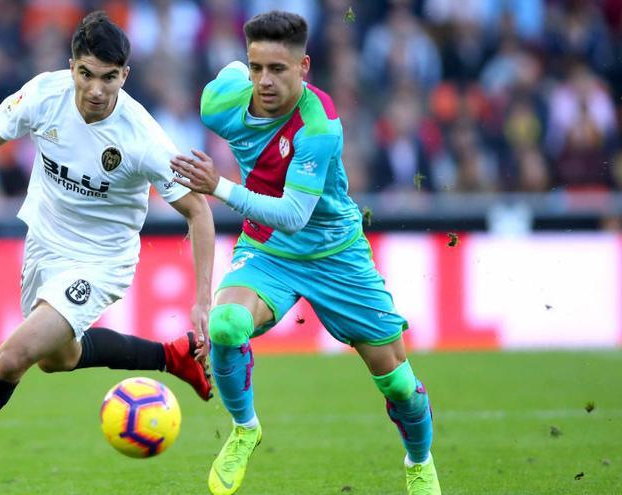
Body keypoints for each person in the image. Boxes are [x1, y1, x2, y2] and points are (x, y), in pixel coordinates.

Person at [0, 12, 215, 495]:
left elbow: (198, 212)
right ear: (72, 65)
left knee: (11, 357)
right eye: (86, 74)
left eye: (109, 77)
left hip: (101, 261)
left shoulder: (142, 137)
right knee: (59, 357)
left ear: (125, 76)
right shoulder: (43, 95)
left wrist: (202, 299)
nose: (96, 89)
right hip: (44, 245)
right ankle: (172, 356)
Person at [171, 11, 440, 495]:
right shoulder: (221, 103)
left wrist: (219, 187)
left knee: (398, 384)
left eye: (278, 69)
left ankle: (419, 461)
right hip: (269, 250)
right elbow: (228, 77)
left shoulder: (319, 124)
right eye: (256, 68)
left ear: (305, 67)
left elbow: (294, 213)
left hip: (337, 254)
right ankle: (245, 429)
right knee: (227, 325)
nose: (265, 81)